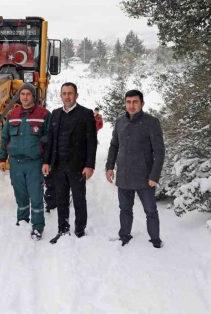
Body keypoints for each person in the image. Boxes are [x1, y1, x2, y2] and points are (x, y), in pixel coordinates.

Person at [105, 89, 165, 248]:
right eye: (128, 102)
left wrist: (154, 176)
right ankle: (124, 235)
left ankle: (155, 240)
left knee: (150, 210)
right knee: (125, 209)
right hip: (123, 174)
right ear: (125, 103)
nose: (131, 105)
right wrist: (109, 166)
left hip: (145, 177)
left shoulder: (151, 122)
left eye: (135, 102)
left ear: (142, 103)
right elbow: (114, 146)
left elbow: (159, 151)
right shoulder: (120, 122)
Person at [42, 82, 97, 242]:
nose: (67, 96)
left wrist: (89, 165)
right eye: (64, 93)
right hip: (59, 165)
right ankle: (63, 229)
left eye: (70, 93)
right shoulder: (56, 113)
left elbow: (91, 142)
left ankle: (80, 230)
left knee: (79, 199)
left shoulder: (86, 114)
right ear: (60, 96)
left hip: (77, 167)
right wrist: (46, 162)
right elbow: (51, 140)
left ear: (76, 95)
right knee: (61, 199)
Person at [0, 83, 51, 240]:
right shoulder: (12, 114)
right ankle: (22, 220)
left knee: (36, 195)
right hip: (16, 163)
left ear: (33, 96)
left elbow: (49, 140)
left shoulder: (43, 114)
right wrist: (2, 158)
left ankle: (37, 226)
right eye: (23, 94)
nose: (25, 97)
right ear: (19, 96)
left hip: (35, 163)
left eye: (28, 94)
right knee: (20, 194)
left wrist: (46, 161)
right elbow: (5, 137)